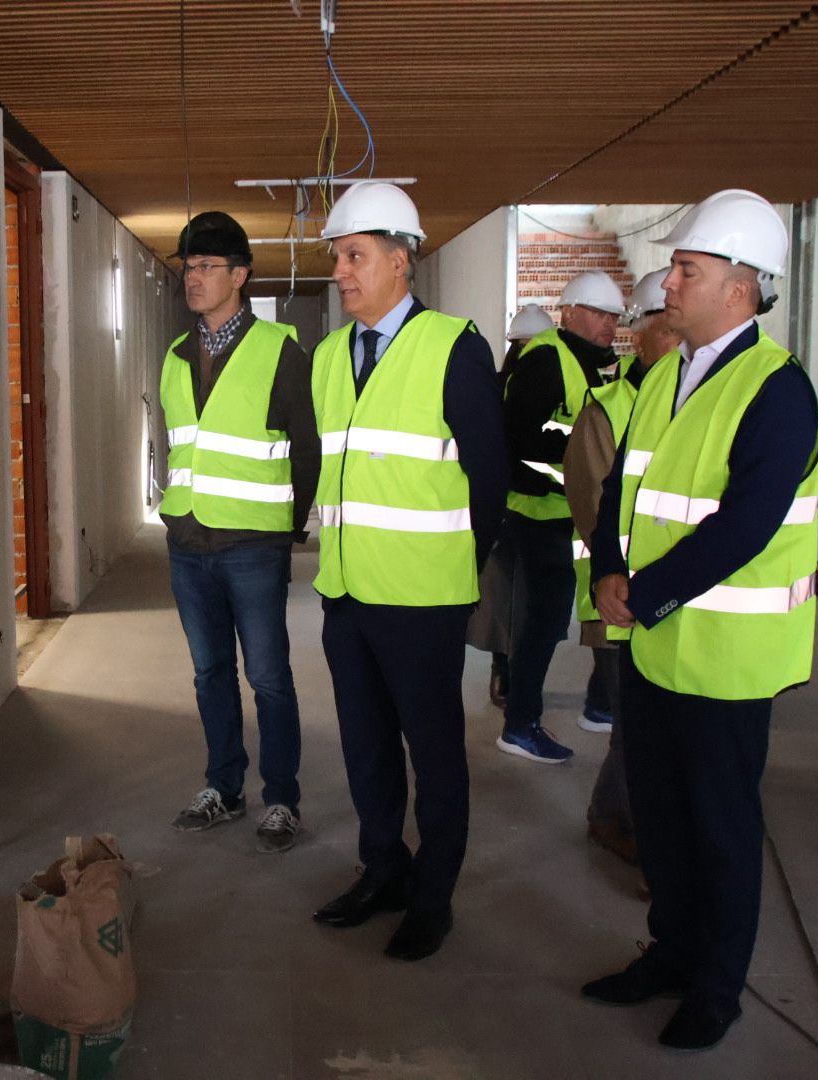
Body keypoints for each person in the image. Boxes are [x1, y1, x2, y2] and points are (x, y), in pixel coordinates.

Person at [582, 189, 818, 1052]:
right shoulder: (662, 376)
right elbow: (621, 487)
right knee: (661, 817)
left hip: (724, 654)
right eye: (675, 268)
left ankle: (717, 989)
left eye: (688, 269)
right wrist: (609, 567)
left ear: (744, 289)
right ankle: (671, 954)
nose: (668, 283)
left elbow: (747, 522)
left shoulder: (777, 389)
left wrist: (641, 593)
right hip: (655, 647)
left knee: (720, 828)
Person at [308, 181, 507, 961]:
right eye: (336, 257)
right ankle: (383, 869)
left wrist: (457, 571)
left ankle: (434, 895)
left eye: (353, 255)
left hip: (423, 599)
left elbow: (488, 482)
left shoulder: (454, 345)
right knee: (365, 748)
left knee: (434, 754)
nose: (340, 271)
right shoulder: (330, 355)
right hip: (347, 594)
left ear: (399, 262)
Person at [159, 210, 319, 854]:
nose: (192, 280)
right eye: (187, 269)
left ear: (240, 276)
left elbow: (307, 448)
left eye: (205, 268)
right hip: (187, 543)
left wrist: (288, 527)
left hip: (253, 544)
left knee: (270, 676)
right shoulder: (175, 354)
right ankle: (224, 788)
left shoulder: (279, 350)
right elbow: (174, 445)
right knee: (209, 674)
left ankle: (281, 799)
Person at [563, 268, 678, 868]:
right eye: (668, 324)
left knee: (641, 730)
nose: (680, 337)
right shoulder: (607, 409)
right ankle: (629, 827)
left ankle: (610, 815)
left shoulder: (699, 399)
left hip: (678, 600)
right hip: (618, 600)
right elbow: (593, 510)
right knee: (638, 729)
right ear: (643, 332)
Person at [496, 270, 624, 762]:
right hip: (538, 512)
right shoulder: (548, 360)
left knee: (569, 613)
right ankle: (520, 723)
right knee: (544, 622)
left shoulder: (586, 363)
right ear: (569, 312)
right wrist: (577, 469)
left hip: (565, 514)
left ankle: (594, 703)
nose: (608, 325)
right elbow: (521, 442)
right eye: (598, 314)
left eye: (613, 317)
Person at [472, 301, 555, 709]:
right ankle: (510, 677)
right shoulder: (533, 382)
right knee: (521, 603)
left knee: (505, 599)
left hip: (502, 510)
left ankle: (503, 673)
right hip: (526, 512)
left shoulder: (496, 382)